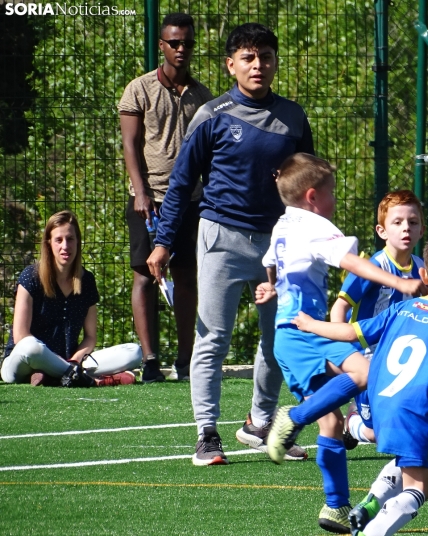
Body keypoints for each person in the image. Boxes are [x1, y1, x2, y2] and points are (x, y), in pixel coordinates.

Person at [145, 23, 313, 465]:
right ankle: (206, 434)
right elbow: (181, 184)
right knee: (212, 338)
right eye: (248, 58)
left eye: (266, 57)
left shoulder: (294, 117)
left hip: (278, 246)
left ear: (276, 62)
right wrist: (163, 243)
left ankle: (259, 423)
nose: (259, 66)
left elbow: (307, 183)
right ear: (231, 64)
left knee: (280, 336)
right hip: (220, 236)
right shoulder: (213, 115)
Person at [292, 232, 428, 536]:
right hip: (416, 413)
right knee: (418, 489)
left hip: (378, 405)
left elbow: (349, 333)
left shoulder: (400, 310)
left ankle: (370, 504)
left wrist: (309, 324)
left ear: (423, 274)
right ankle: (374, 531)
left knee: (405, 460)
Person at [258, 153, 426, 533]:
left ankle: (335, 506)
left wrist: (271, 285)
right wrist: (398, 283)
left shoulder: (283, 224)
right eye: (332, 192)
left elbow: (273, 262)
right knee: (364, 373)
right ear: (313, 196)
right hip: (306, 332)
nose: (335, 200)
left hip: (290, 335)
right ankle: (293, 418)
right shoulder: (314, 226)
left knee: (331, 422)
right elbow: (352, 262)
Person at [119, 12, 213, 383]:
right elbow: (130, 144)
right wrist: (141, 192)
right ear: (162, 45)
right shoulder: (139, 89)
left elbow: (209, 153)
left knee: (186, 277)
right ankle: (150, 360)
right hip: (150, 198)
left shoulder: (204, 97)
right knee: (144, 275)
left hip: (190, 200)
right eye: (174, 43)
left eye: (187, 43)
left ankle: (186, 359)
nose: (181, 49)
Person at [2, 211, 142, 387]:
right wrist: (54, 360)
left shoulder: (87, 281)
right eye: (58, 240)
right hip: (23, 362)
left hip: (70, 361)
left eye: (70, 239)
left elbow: (90, 337)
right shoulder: (30, 277)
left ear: (78, 242)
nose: (65, 246)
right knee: (31, 346)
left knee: (133, 352)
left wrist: (75, 361)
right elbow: (21, 336)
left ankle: (59, 375)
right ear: (49, 244)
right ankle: (88, 381)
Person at [330, 190, 425, 449]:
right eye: (397, 222)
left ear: (422, 230)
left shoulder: (422, 267)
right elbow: (339, 308)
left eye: (413, 222)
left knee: (407, 426)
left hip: (402, 356)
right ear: (381, 231)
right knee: (377, 436)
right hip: (369, 358)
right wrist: (347, 350)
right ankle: (352, 424)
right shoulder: (373, 267)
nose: (406, 228)